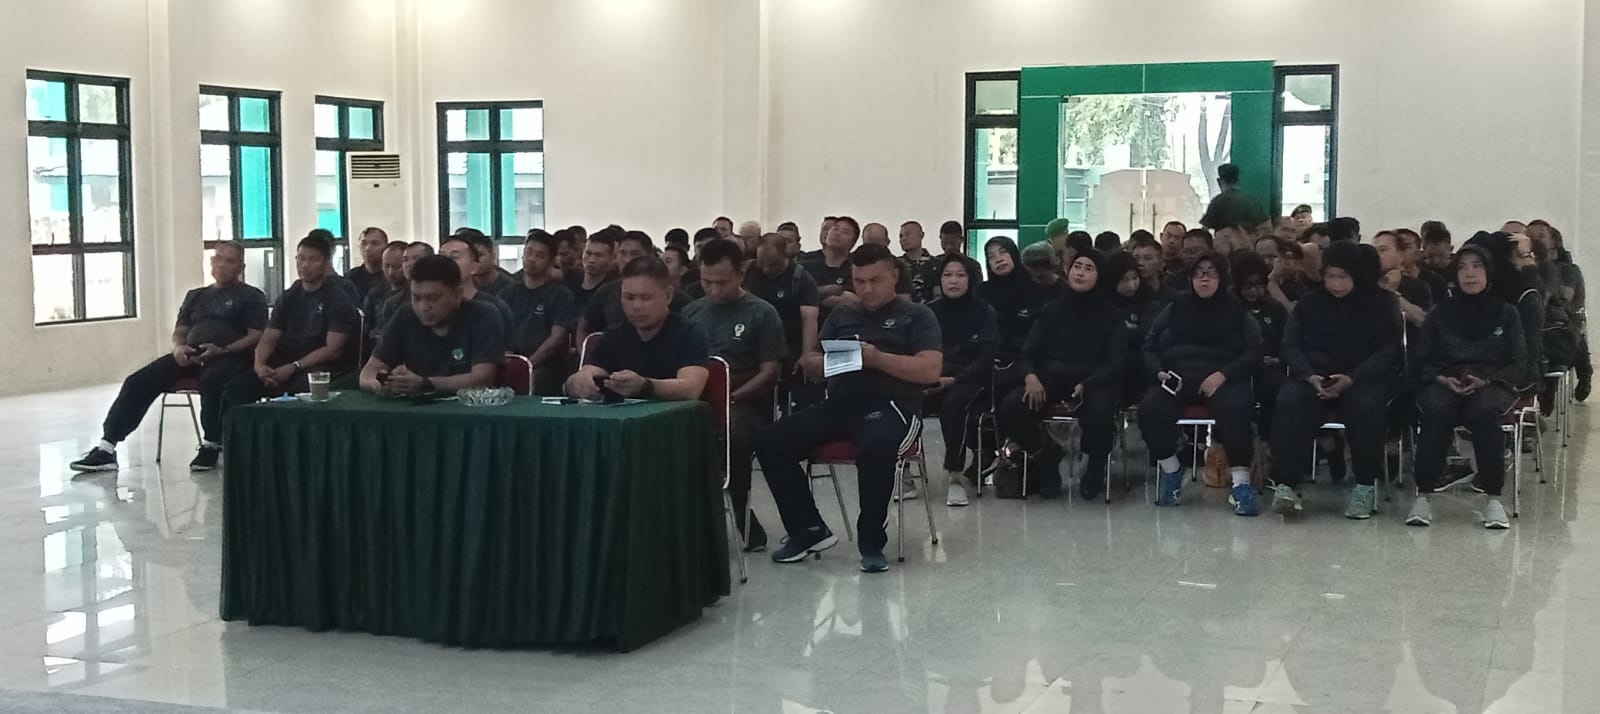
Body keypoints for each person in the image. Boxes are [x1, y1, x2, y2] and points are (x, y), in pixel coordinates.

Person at [755, 244, 942, 573]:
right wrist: (817, 363)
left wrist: (877, 359)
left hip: (892, 405)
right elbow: (814, 357)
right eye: (859, 281)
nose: (866, 289)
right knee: (770, 440)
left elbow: (929, 370)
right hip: (841, 403)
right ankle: (808, 529)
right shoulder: (843, 315)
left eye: (875, 280)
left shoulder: (917, 315)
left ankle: (871, 539)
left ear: (894, 276)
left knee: (876, 446)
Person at [69, 241, 268, 474]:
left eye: (230, 261)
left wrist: (223, 350)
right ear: (211, 261)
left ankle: (211, 444)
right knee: (139, 381)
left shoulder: (251, 296)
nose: (222, 265)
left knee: (214, 380)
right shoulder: (196, 296)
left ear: (241, 267)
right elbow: (180, 330)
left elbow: (256, 336)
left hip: (230, 356)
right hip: (191, 354)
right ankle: (107, 447)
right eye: (218, 258)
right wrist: (178, 348)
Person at [1269, 242, 1400, 519]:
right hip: (1315, 377)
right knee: (1290, 401)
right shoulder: (1309, 303)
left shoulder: (1381, 304)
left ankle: (1365, 484)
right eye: (1330, 276)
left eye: (1343, 277)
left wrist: (1352, 378)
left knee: (1366, 408)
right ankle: (1286, 484)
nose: (1336, 284)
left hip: (1363, 378)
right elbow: (1290, 346)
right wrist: (1309, 375)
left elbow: (1389, 351)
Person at [1407, 245, 1525, 529]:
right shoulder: (1439, 314)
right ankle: (1423, 496)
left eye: (1477, 266)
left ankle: (1493, 499)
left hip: (1491, 381)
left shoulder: (1506, 313)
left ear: (1489, 272)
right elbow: (1421, 359)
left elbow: (1519, 362)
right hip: (1445, 379)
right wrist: (1441, 378)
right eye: (1462, 267)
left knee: (1484, 411)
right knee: (1436, 409)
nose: (1469, 274)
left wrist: (1488, 380)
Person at [683, 238, 788, 552]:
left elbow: (770, 371)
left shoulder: (762, 313)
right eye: (707, 282)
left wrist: (734, 397)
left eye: (722, 282)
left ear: (740, 274)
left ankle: (740, 510)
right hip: (696, 398)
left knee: (735, 433)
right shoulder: (692, 312)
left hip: (745, 402)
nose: (713, 290)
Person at [995, 250, 1126, 500]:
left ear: (1099, 276)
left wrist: (1089, 383)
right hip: (1052, 376)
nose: (1081, 273)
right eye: (1077, 266)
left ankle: (1095, 465)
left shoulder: (1112, 315)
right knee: (1012, 407)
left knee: (1099, 413)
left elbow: (1116, 362)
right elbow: (1029, 352)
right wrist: (1030, 376)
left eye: (1088, 268)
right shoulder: (1051, 310)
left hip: (1094, 379)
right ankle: (1045, 457)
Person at [1140, 253, 1263, 514]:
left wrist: (1224, 374)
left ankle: (1241, 484)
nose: (1204, 279)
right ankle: (1172, 470)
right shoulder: (1175, 307)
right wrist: (1159, 372)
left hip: (1221, 378)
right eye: (1198, 273)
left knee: (1237, 409)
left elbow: (1254, 350)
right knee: (1150, 408)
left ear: (1222, 277)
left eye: (1211, 273)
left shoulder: (1236, 310)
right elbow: (1149, 344)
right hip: (1178, 377)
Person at [220, 232, 360, 440]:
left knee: (299, 393)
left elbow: (333, 349)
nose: (305, 265)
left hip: (322, 368)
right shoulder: (290, 295)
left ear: (326, 263)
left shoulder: (338, 298)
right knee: (236, 389)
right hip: (284, 363)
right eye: (301, 258)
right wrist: (260, 366)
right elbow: (269, 337)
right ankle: (240, 446)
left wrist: (294, 367)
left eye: (313, 259)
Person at [565, 256, 710, 402]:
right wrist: (579, 383)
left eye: (646, 298)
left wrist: (645, 386)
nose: (636, 306)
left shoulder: (689, 333)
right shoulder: (614, 335)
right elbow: (589, 372)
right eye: (629, 297)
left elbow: (691, 388)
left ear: (668, 296)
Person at [359, 254, 507, 394]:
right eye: (416, 298)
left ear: (457, 294)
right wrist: (381, 384)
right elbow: (368, 372)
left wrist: (426, 384)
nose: (423, 307)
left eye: (433, 298)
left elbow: (482, 379)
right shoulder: (405, 315)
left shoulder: (483, 315)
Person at [925, 255, 997, 506]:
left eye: (960, 275)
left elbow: (985, 357)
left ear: (971, 279)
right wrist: (932, 376)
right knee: (904, 400)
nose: (953, 281)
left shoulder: (984, 312)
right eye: (947, 275)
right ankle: (907, 472)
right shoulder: (929, 311)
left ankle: (955, 476)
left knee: (954, 406)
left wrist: (954, 379)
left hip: (970, 378)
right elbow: (919, 349)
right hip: (933, 374)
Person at [579, 231, 692, 343]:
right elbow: (584, 325)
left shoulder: (677, 298)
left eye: (635, 254)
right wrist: (585, 351)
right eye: (622, 253)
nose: (627, 260)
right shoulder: (607, 291)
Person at [502, 230, 578, 395]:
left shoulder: (560, 294)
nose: (532, 259)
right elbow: (499, 332)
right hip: (511, 359)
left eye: (539, 255)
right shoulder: (507, 293)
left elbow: (557, 338)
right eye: (528, 252)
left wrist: (528, 364)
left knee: (539, 379)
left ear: (551, 261)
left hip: (546, 364)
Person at [979, 237, 1044, 421]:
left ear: (1014, 254)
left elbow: (1040, 336)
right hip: (991, 363)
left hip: (1028, 362)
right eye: (991, 256)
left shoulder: (1035, 291)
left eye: (1003, 252)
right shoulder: (982, 293)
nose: (998, 259)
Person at [745, 231, 821, 386]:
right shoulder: (749, 271)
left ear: (785, 255)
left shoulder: (800, 278)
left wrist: (806, 355)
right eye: (762, 263)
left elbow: (809, 318)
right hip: (753, 342)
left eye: (773, 264)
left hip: (788, 343)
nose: (766, 269)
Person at [1233, 254, 1287, 440]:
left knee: (1281, 389)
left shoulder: (1275, 308)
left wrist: (1278, 359)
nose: (1253, 291)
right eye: (1248, 286)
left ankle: (1268, 440)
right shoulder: (1228, 306)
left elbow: (1288, 342)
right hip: (1235, 368)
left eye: (1259, 285)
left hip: (1268, 366)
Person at [1104, 251, 1161, 409]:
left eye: (1135, 278)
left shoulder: (1148, 301)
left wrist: (1121, 332)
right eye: (1124, 280)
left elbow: (1146, 334)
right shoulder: (1103, 303)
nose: (1131, 285)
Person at [440, 234, 517, 337]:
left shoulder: (495, 308)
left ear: (474, 266)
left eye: (454, 257)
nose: (445, 263)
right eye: (441, 257)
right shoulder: (430, 306)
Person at [803, 215, 861, 324]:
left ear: (853, 243)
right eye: (835, 229)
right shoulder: (807, 263)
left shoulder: (855, 267)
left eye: (845, 232)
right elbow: (799, 295)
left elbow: (849, 301)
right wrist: (827, 290)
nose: (837, 233)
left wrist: (815, 296)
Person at [360, 241, 409, 353]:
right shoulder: (375, 293)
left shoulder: (414, 294)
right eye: (387, 266)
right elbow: (365, 324)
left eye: (397, 267)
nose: (391, 272)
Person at [1200, 163, 1267, 233]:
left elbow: (1204, 230)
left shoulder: (1216, 202)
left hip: (1224, 239)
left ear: (1219, 181)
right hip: (1249, 239)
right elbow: (1265, 227)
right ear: (1238, 180)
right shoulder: (1252, 201)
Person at [454, 227, 517, 297]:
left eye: (480, 255)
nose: (475, 259)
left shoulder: (509, 287)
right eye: (471, 255)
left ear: (492, 256)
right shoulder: (464, 283)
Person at [570, 230, 619, 315]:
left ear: (611, 258)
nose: (591, 260)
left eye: (598, 255)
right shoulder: (570, 281)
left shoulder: (612, 292)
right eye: (588, 253)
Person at [899, 220, 940, 303]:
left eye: (908, 234)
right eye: (901, 236)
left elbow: (939, 295)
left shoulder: (936, 264)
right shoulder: (895, 265)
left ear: (921, 235)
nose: (904, 239)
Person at [345, 226, 390, 299]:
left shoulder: (392, 276)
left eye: (375, 243)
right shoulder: (350, 277)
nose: (368, 248)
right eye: (363, 243)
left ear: (386, 247)